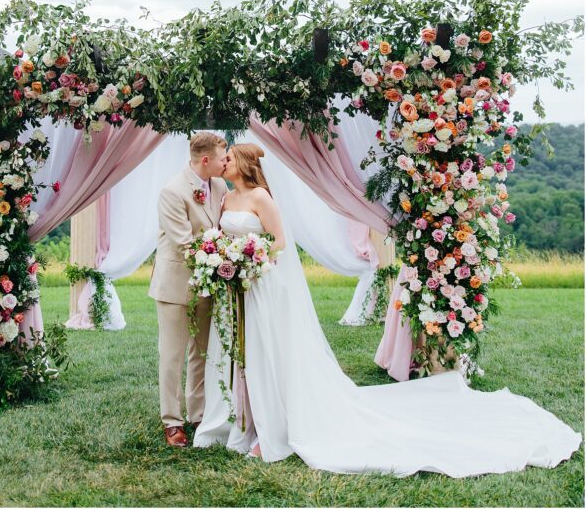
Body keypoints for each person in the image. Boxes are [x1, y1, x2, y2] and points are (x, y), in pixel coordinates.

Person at [194, 144, 582, 476]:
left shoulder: (261, 197)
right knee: (239, 354)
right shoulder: (226, 199)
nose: (223, 161)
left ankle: (272, 427)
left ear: (244, 163)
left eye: (228, 156)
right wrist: (224, 255)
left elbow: (278, 242)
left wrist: (248, 255)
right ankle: (240, 421)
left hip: (262, 283)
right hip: (237, 288)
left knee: (268, 352)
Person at [148, 131, 228, 448]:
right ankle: (172, 422)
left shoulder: (220, 185)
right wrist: (227, 260)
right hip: (175, 284)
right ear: (205, 160)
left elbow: (220, 228)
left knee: (201, 353)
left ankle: (198, 415)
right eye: (223, 158)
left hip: (207, 285)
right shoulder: (172, 191)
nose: (227, 163)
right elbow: (184, 244)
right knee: (172, 356)